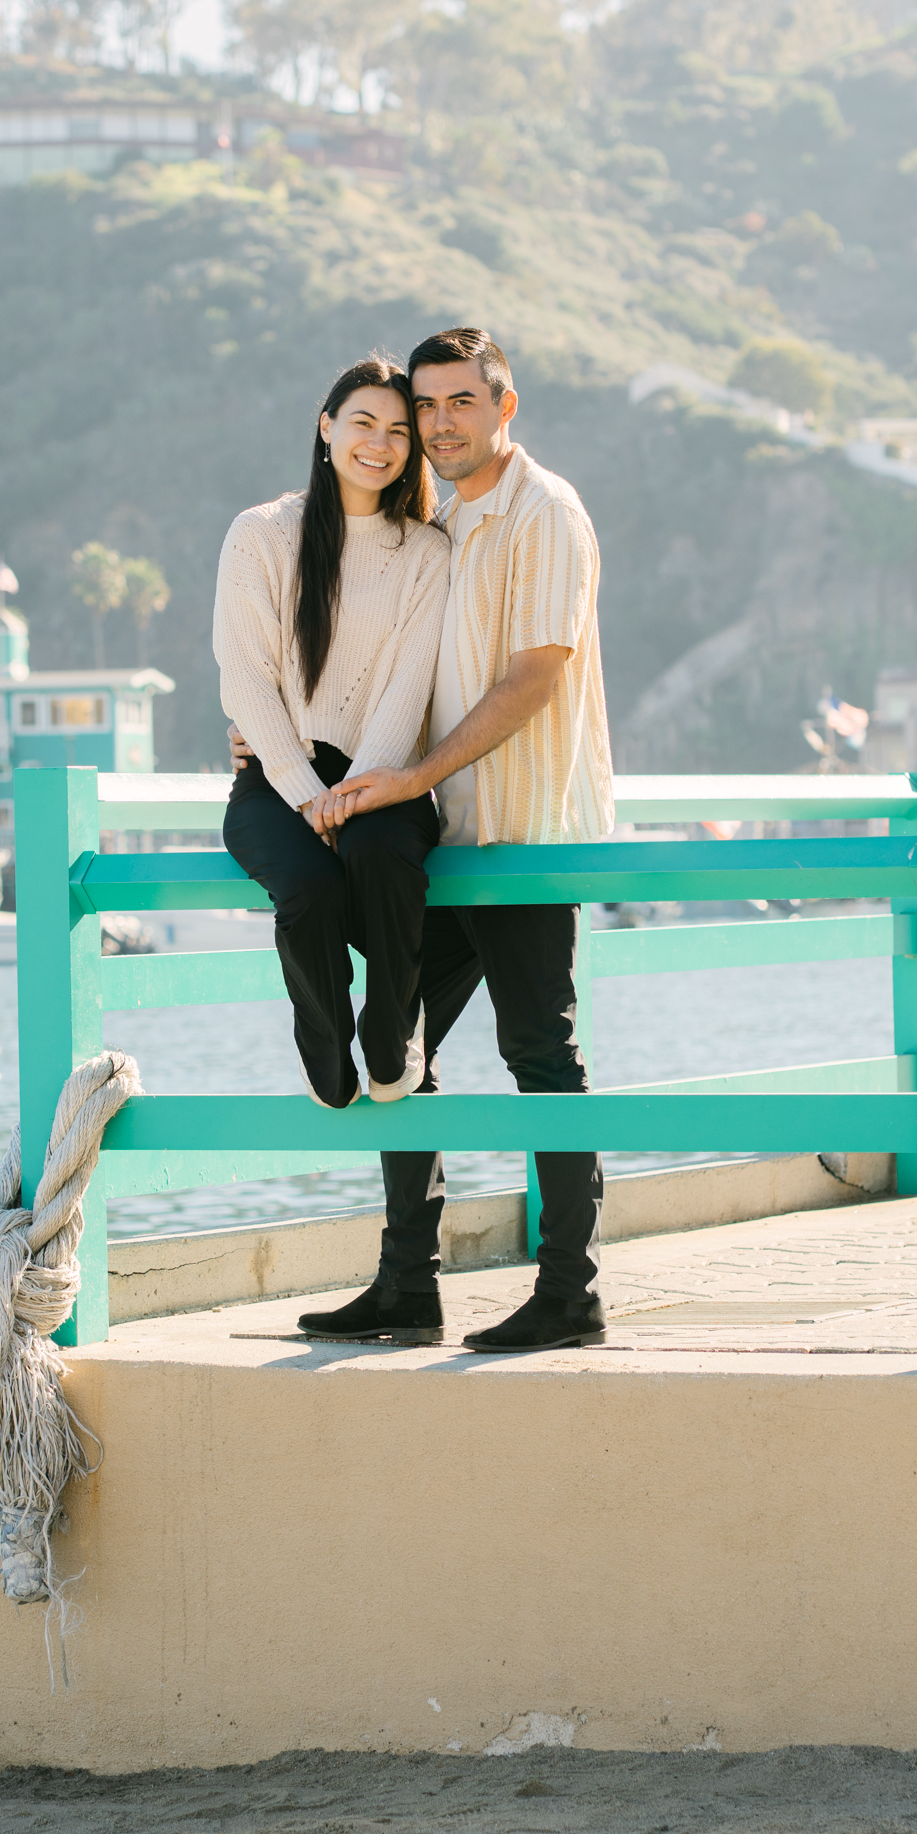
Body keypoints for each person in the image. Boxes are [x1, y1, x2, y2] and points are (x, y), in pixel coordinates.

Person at [294, 324, 614, 1354]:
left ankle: (570, 1292)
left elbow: (534, 674)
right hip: (448, 839)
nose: (437, 424)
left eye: (458, 403)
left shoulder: (542, 512)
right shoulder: (441, 523)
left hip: (522, 833)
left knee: (538, 1056)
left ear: (502, 405)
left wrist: (413, 777)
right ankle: (408, 1285)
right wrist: (280, 734)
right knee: (396, 1045)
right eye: (423, 407)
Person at [213, 356, 450, 1131]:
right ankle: (323, 1038)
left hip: (381, 776)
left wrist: (353, 793)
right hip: (278, 781)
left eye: (396, 431)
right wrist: (305, 792)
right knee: (308, 891)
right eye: (362, 423)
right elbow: (244, 676)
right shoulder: (261, 534)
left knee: (382, 858)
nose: (377, 443)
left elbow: (406, 690)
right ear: (325, 427)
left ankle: (393, 1028)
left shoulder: (426, 552)